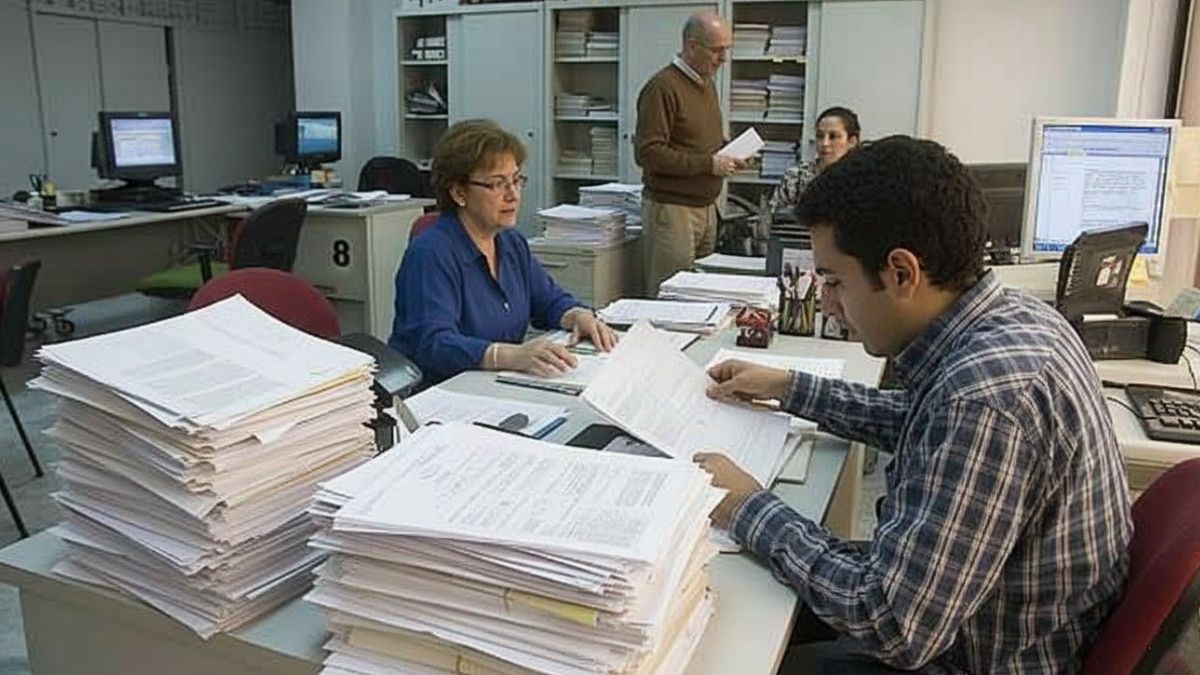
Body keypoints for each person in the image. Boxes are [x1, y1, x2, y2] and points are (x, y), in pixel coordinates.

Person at [697, 136, 1132, 673]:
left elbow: (895, 625)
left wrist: (745, 505)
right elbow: (925, 424)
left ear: (901, 273)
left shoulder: (986, 401)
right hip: (983, 615)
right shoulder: (1013, 320)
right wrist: (791, 387)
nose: (828, 303)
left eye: (833, 280)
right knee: (752, 599)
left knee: (733, 646)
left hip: (976, 655)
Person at [389, 119, 617, 384]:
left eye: (516, 180)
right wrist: (508, 356)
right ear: (459, 192)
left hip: (494, 385)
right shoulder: (430, 253)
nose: (513, 195)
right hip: (441, 393)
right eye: (498, 184)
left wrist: (578, 316)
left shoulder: (510, 242)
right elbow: (432, 343)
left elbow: (548, 301)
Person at [635, 11, 745, 297]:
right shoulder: (662, 87)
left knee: (699, 295)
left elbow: (696, 138)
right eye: (717, 50)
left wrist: (729, 152)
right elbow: (648, 153)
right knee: (670, 299)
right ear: (693, 46)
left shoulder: (706, 84)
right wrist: (710, 164)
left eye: (726, 50)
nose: (723, 59)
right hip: (673, 211)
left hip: (707, 208)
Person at [767, 106, 861, 214]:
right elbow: (772, 217)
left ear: (851, 142)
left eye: (833, 136)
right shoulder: (796, 176)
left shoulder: (861, 179)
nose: (824, 143)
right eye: (820, 136)